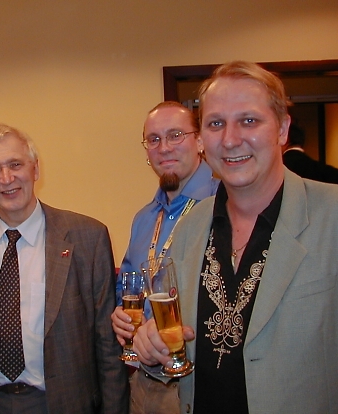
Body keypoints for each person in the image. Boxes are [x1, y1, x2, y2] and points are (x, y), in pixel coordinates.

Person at [134, 61, 338, 414]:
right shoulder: (190, 227)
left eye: (249, 120)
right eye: (216, 124)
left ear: (282, 129)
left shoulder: (337, 217)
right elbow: (178, 347)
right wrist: (153, 347)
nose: (230, 140)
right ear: (202, 138)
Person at [0, 123, 129, 414]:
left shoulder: (88, 237)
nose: (7, 178)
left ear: (35, 169)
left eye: (15, 164)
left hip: (60, 403)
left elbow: (107, 343)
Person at [111, 101, 218, 414]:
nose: (164, 147)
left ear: (200, 141)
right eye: (154, 139)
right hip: (145, 384)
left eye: (175, 135)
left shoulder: (224, 205)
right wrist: (120, 316)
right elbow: (126, 289)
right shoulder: (144, 218)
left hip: (199, 383)